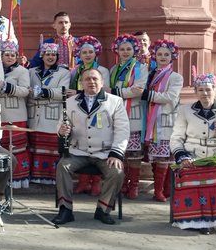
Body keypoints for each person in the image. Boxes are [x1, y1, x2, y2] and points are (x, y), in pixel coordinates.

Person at [52, 68, 128, 226]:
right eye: (87, 79)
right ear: (82, 82)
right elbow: (61, 124)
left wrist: (116, 154)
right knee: (62, 167)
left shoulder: (115, 101)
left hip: (105, 153)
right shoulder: (71, 101)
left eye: (95, 79)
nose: (91, 82)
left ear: (101, 82)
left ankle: (103, 209)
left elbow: (122, 130)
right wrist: (62, 131)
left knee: (117, 171)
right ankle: (65, 210)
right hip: (78, 151)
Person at [169, 73, 216, 234]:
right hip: (192, 158)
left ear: (215, 90)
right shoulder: (185, 111)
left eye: (208, 89)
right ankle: (195, 221)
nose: (205, 93)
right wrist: (182, 156)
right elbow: (176, 138)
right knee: (191, 177)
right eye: (200, 90)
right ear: (196, 92)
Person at [65, 35, 110, 195]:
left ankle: (96, 183)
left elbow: (106, 91)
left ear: (95, 53)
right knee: (82, 138)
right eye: (84, 52)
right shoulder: (75, 70)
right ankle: (84, 182)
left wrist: (78, 92)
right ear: (80, 54)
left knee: (95, 136)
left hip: (98, 110)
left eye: (90, 52)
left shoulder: (102, 70)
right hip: (80, 109)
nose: (87, 55)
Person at [141, 39, 183, 202]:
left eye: (166, 54)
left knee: (165, 158)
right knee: (155, 156)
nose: (163, 57)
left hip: (166, 120)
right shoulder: (150, 74)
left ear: (172, 57)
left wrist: (148, 95)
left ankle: (161, 190)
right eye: (159, 54)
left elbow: (171, 97)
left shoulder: (176, 77)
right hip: (150, 119)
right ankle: (163, 189)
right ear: (154, 56)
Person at [108, 34, 148, 199]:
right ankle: (122, 182)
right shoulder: (113, 69)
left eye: (128, 49)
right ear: (117, 51)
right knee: (120, 152)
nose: (125, 52)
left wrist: (115, 92)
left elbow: (137, 91)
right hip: (116, 113)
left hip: (133, 114)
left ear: (134, 50)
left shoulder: (139, 68)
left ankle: (134, 185)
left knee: (134, 153)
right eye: (122, 49)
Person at [27, 43, 70, 185]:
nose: (50, 57)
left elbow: (63, 91)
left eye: (53, 54)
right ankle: (35, 176)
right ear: (42, 56)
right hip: (34, 114)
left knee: (50, 148)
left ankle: (50, 178)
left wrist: (44, 92)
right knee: (34, 146)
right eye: (47, 54)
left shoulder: (63, 72)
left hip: (51, 114)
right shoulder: (32, 71)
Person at [0, 41, 31, 188]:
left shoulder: (22, 71)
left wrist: (8, 87)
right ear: (1, 56)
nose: (9, 57)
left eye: (12, 55)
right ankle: (2, 178)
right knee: (1, 147)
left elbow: (25, 90)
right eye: (6, 55)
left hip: (16, 113)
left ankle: (17, 179)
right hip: (0, 113)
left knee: (16, 148)